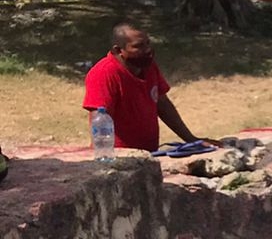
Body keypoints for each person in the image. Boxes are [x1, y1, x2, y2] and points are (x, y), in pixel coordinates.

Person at [82, 23, 204, 152]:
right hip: (121, 157)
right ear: (118, 50)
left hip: (149, 154)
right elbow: (100, 118)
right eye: (138, 46)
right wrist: (105, 157)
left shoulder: (148, 66)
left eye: (147, 43)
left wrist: (192, 140)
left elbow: (162, 104)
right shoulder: (104, 73)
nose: (147, 50)